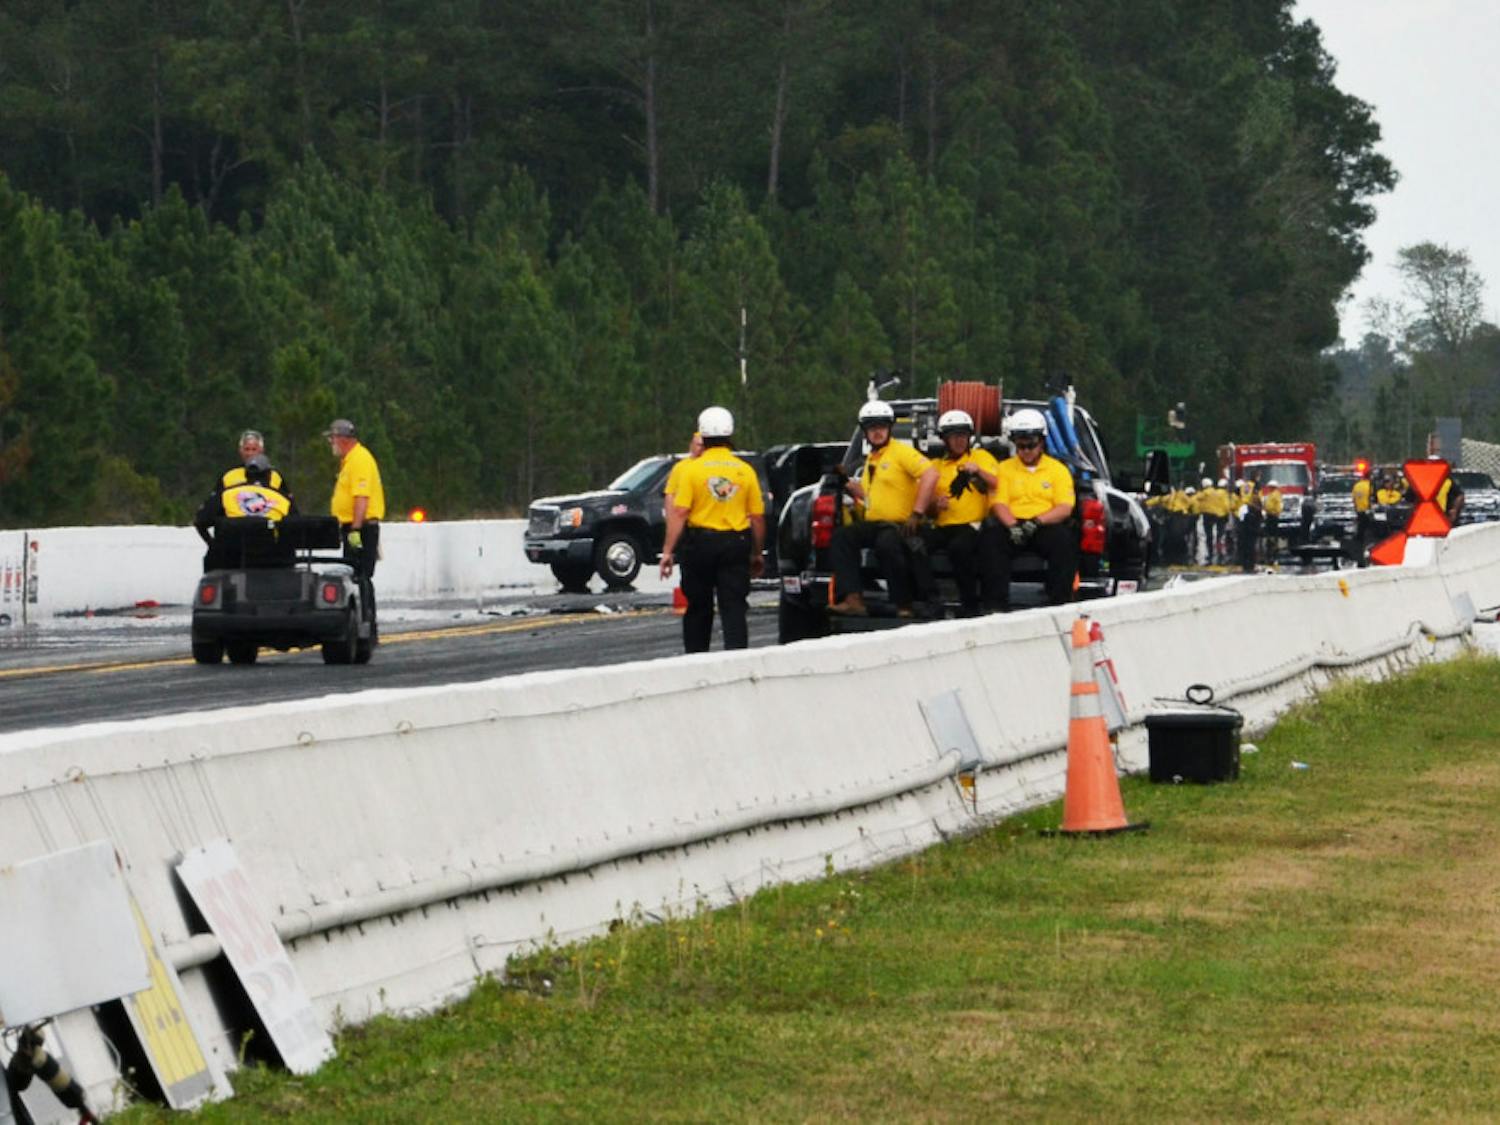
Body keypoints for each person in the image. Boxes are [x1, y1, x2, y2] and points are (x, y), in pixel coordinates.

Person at [658, 406, 765, 652]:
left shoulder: (691, 470)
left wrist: (668, 550)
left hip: (699, 546)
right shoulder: (744, 471)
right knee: (734, 607)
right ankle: (737, 659)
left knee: (698, 607)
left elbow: (680, 512)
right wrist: (757, 553)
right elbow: (757, 517)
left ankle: (697, 659)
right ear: (730, 434)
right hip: (735, 544)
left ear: (702, 436)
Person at [827, 400, 937, 618]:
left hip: (898, 525)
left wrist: (917, 513)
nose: (877, 432)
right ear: (865, 432)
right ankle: (852, 598)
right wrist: (846, 482)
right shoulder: (873, 460)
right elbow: (867, 496)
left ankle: (903, 604)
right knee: (842, 536)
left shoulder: (901, 452)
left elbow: (931, 474)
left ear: (890, 428)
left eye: (881, 427)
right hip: (875, 522)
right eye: (872, 428)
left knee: (887, 544)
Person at [982, 408, 1077, 609]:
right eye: (1021, 445)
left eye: (1030, 445)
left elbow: (1064, 507)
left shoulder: (1058, 470)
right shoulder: (1004, 468)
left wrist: (1037, 522)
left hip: (1044, 524)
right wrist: (1013, 526)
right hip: (1014, 524)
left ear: (1041, 443)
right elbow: (999, 503)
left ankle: (1058, 602)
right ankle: (995, 605)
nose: (1026, 451)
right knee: (992, 540)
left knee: (1064, 541)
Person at [923, 409, 1003, 616]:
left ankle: (970, 604)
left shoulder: (981, 457)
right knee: (914, 544)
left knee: (960, 547)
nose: (959, 441)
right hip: (942, 525)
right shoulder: (935, 466)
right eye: (953, 436)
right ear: (944, 440)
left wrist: (977, 472)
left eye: (963, 435)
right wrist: (934, 505)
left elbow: (997, 483)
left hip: (972, 525)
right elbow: (925, 505)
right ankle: (929, 598)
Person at [326, 418, 385, 622]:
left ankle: (366, 621)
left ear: (343, 439)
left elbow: (361, 498)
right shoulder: (350, 460)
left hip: (360, 528)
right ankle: (364, 618)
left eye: (332, 438)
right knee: (355, 572)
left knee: (359, 573)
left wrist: (355, 530)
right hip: (355, 527)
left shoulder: (359, 460)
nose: (331, 443)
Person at [193, 454, 295, 569]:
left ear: (245, 474)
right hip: (273, 558)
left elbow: (200, 522)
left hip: (231, 558)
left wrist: (213, 545)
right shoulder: (282, 498)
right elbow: (296, 528)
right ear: (269, 475)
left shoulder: (226, 494)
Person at [219, 429, 292, 500]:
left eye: (254, 449)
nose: (250, 453)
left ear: (261, 451)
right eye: (246, 449)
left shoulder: (274, 476)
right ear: (240, 451)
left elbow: (288, 504)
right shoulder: (229, 476)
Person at [662, 431, 705, 516]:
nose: (701, 448)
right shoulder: (680, 467)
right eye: (699, 445)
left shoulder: (714, 466)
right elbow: (671, 495)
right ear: (691, 446)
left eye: (705, 446)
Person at [1351, 463, 1373, 562]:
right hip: (1368, 512)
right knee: (1370, 534)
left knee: (1360, 533)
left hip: (1359, 512)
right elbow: (1372, 498)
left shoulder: (1357, 486)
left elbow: (1354, 499)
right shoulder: (1370, 486)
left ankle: (1357, 550)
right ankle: (1368, 551)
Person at [1261, 482, 1283, 558]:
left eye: (1270, 487)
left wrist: (1267, 508)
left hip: (1272, 515)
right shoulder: (1272, 494)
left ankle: (1273, 548)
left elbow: (1274, 506)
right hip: (1270, 515)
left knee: (1272, 532)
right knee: (1270, 533)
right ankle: (1271, 547)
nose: (1269, 488)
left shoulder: (1275, 495)